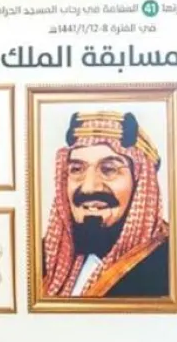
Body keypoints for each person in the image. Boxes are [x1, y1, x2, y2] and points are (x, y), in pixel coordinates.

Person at [41, 111, 170, 299]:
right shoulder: (42, 257)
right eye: (76, 169)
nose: (89, 187)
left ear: (140, 183)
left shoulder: (166, 266)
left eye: (109, 169)